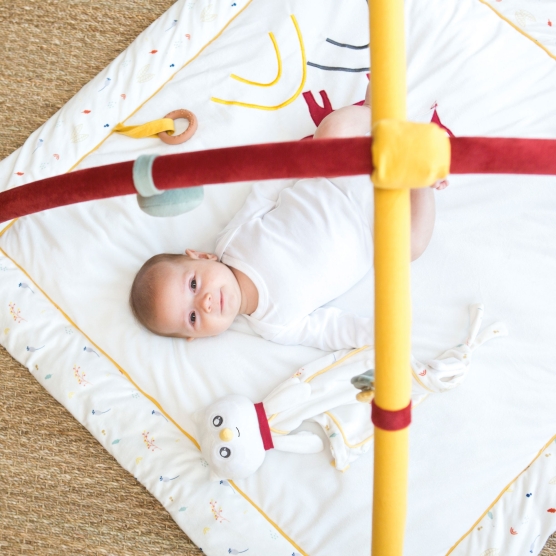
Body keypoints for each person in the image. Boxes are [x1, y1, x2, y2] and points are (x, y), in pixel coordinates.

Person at [129, 84, 448, 351]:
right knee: (412, 246)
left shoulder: (231, 242)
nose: (207, 303)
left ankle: (376, 111)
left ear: (201, 256)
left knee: (331, 132)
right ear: (194, 337)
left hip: (335, 179)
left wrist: (302, 160)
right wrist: (375, 335)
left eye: (194, 285)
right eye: (194, 318)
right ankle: (420, 172)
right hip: (375, 228)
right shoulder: (274, 326)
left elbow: (265, 193)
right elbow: (328, 330)